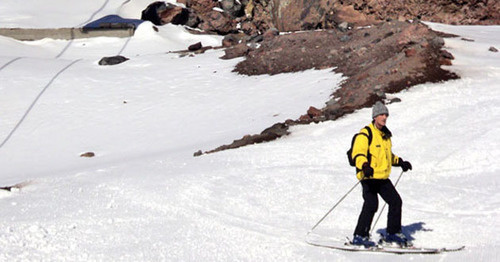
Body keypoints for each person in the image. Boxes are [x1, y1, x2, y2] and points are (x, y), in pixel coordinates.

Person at [350, 101, 412, 247]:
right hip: (369, 177)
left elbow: (387, 155)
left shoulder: (385, 135)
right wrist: (364, 165)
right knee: (371, 204)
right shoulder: (365, 133)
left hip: (382, 177)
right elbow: (358, 153)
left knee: (395, 201)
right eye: (381, 115)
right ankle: (360, 236)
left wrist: (400, 162)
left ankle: (393, 234)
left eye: (386, 115)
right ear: (375, 117)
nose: (384, 117)